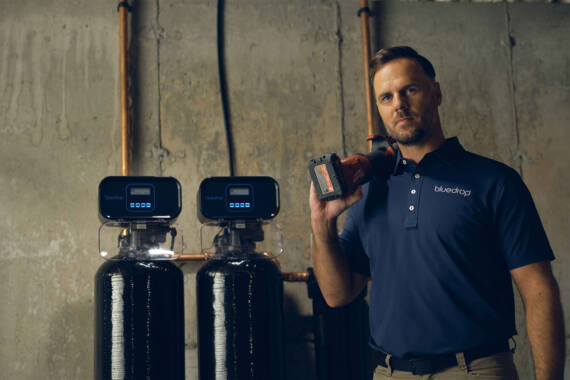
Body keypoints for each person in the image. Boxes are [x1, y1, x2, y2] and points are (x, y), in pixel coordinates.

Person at [309, 46, 565, 380]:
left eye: (409, 90)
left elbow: (539, 292)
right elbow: (337, 295)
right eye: (386, 97)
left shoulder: (494, 182)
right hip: (390, 373)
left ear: (436, 92)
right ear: (379, 110)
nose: (398, 103)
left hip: (475, 370)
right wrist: (322, 224)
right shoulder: (369, 190)